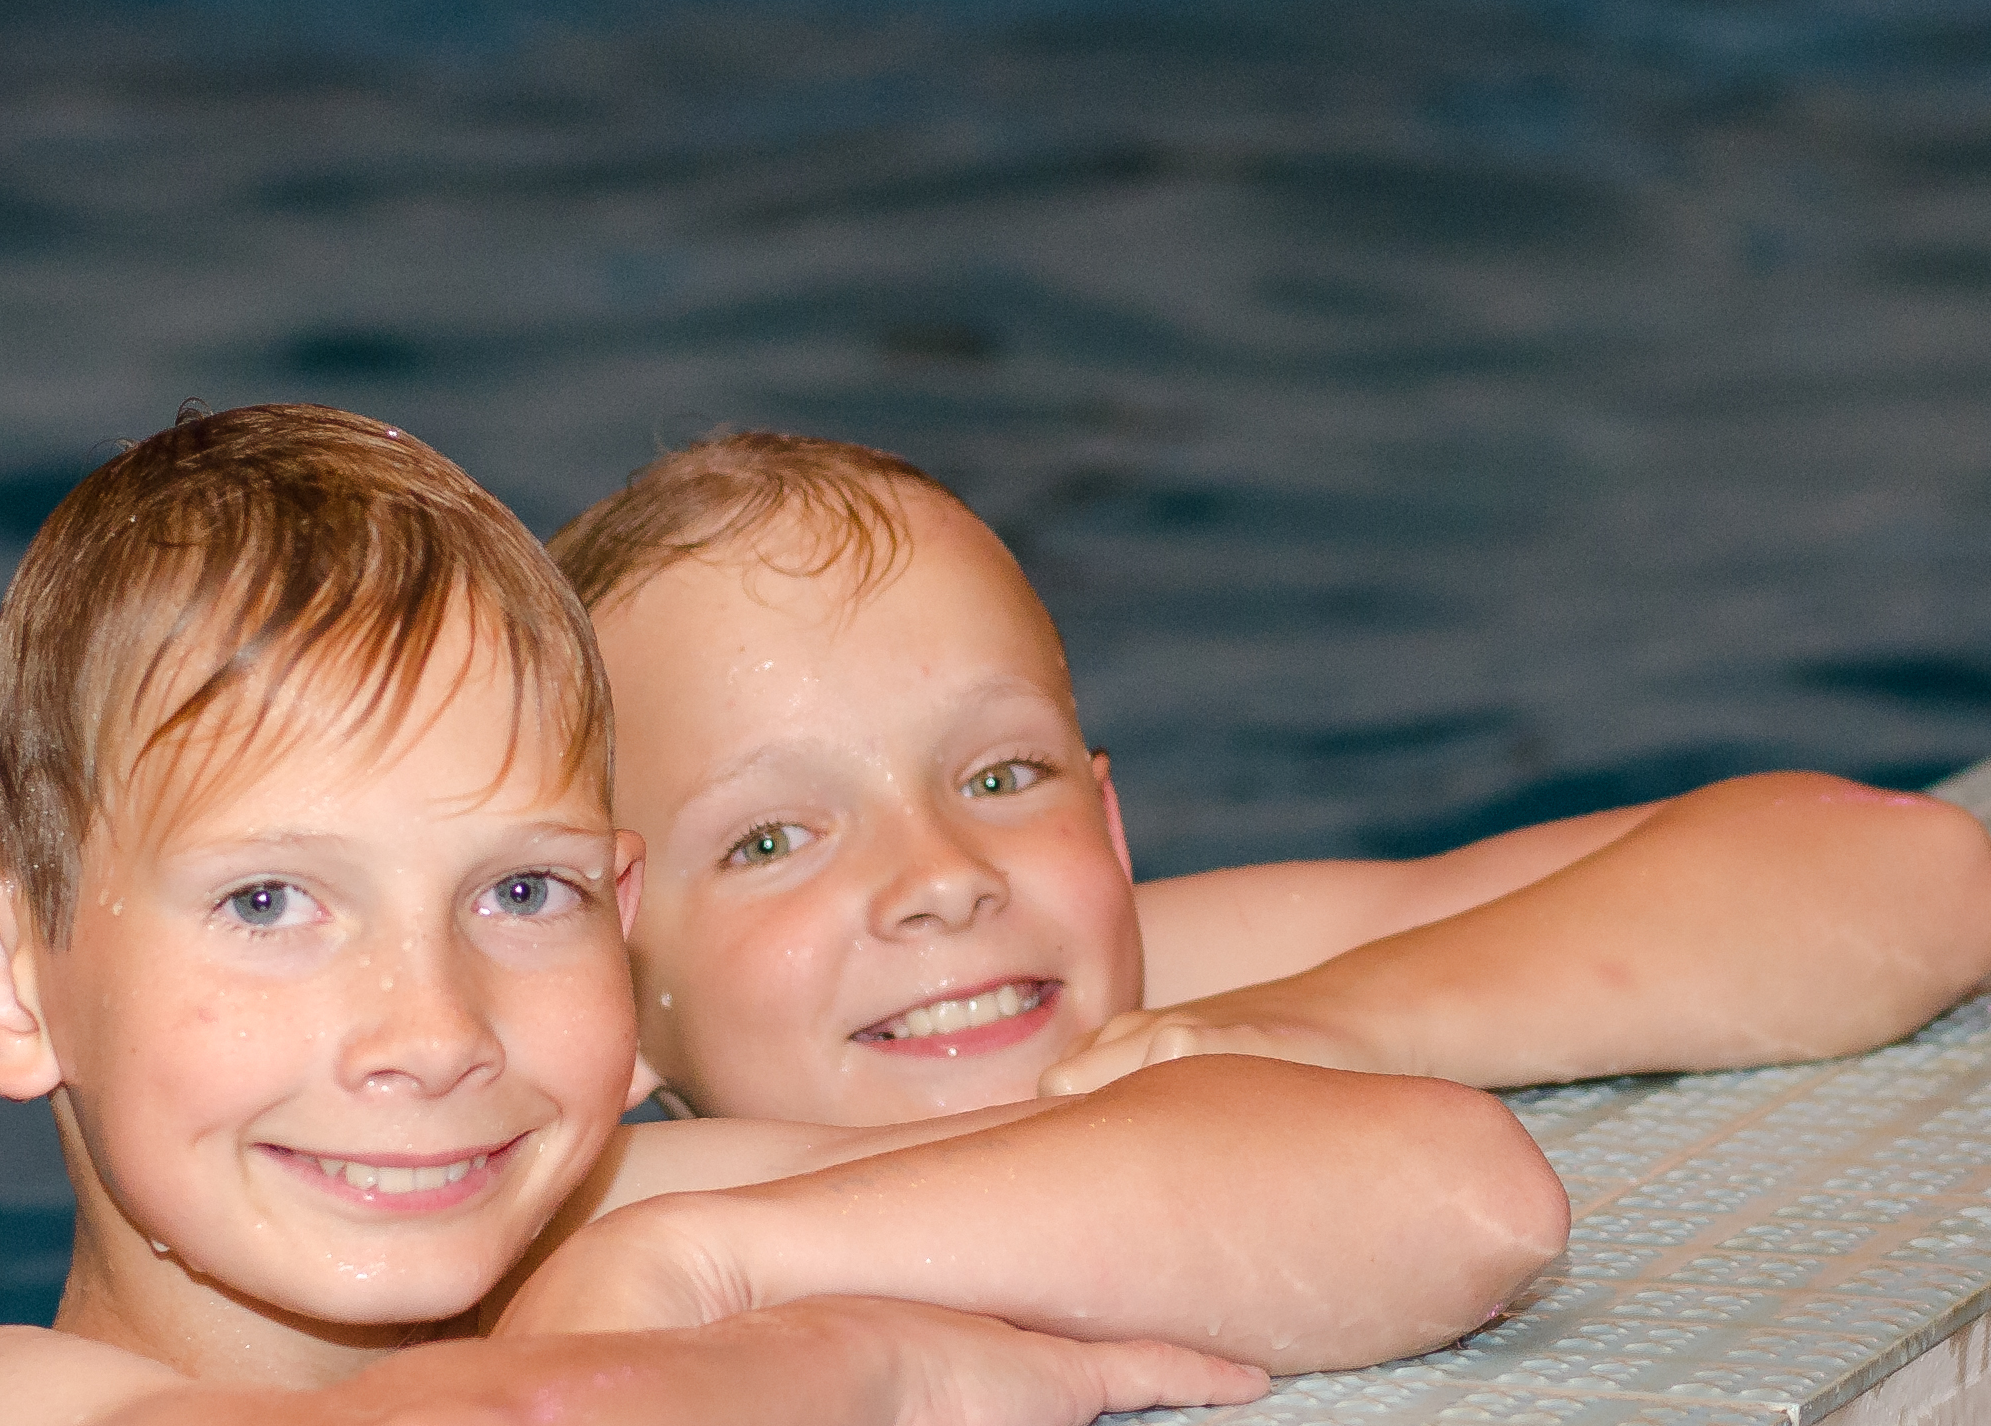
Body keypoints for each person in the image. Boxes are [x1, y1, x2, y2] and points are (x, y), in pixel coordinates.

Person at [0, 408, 1569, 1426]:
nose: (431, 1035)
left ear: (625, 909)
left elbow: (1449, 1200)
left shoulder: (630, 1221)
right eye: (272, 904)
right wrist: (857, 1367)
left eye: (521, 896)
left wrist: (715, 1258)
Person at [548, 432, 1991, 1132]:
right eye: (774, 839)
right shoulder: (572, 1223)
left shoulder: (1154, 995)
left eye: (1001, 775)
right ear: (605, 991)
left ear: (1107, 833)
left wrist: (1319, 1028)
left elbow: (1909, 879)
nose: (940, 878)